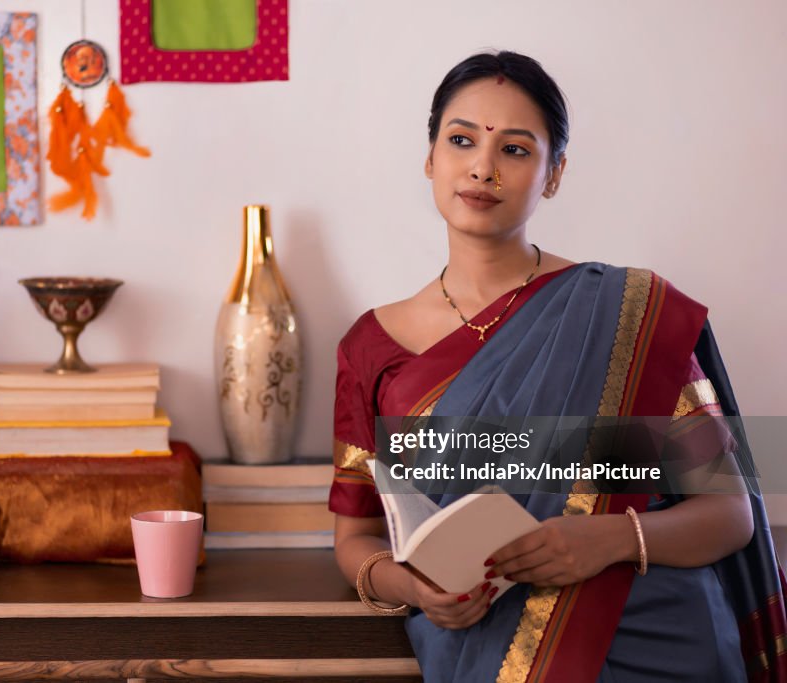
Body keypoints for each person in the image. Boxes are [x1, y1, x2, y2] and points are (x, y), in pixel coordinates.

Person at [330, 50, 787, 682]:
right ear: (431, 156)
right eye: (461, 140)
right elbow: (355, 535)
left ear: (554, 174)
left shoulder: (625, 316)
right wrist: (409, 586)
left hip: (657, 636)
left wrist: (609, 539)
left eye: (515, 150)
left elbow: (729, 514)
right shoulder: (369, 347)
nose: (483, 167)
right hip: (481, 647)